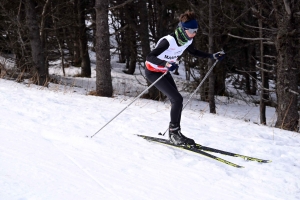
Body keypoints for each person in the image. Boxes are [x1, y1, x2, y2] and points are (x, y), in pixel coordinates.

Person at [145, 10, 225, 146]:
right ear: (183, 29)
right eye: (192, 30)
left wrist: (212, 56)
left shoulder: (187, 40)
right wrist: (166, 63)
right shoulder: (168, 41)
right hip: (153, 72)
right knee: (177, 99)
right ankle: (174, 133)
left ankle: (175, 132)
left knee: (177, 100)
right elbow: (150, 57)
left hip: (164, 71)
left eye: (196, 30)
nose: (195, 33)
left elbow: (194, 52)